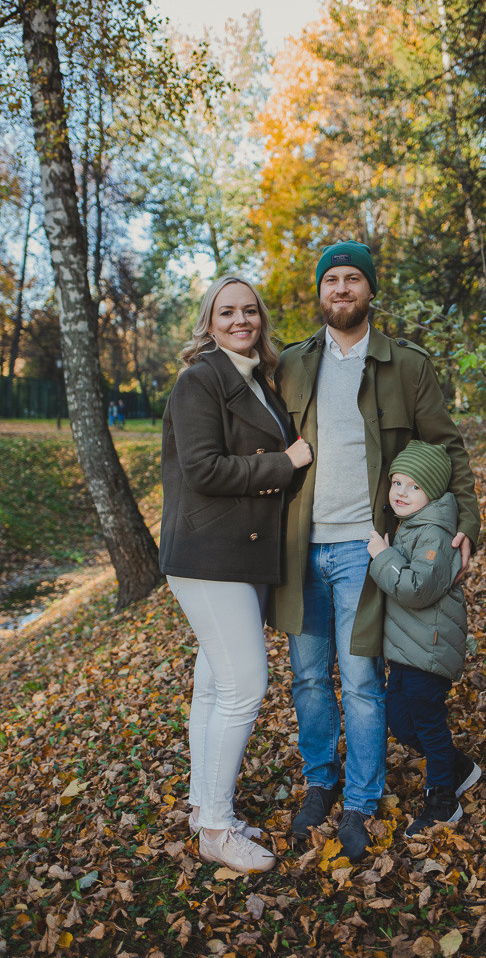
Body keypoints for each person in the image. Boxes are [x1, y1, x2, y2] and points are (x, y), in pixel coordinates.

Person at [271, 240, 480, 861]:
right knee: (308, 678)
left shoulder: (406, 366)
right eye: (331, 279)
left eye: (352, 278)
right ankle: (320, 781)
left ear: (369, 291)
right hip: (297, 550)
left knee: (361, 682)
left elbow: (450, 448)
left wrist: (466, 520)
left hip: (367, 551)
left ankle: (361, 801)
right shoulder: (290, 364)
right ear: (320, 291)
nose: (341, 288)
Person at [159, 275, 312, 874]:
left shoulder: (259, 379)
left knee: (218, 687)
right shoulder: (201, 379)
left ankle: (205, 810)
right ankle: (218, 830)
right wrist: (285, 462)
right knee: (246, 687)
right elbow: (202, 469)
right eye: (227, 312)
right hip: (208, 556)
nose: (240, 320)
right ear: (210, 320)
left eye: (249, 311)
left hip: (238, 557)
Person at [367, 440, 482, 836]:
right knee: (401, 722)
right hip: (406, 650)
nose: (400, 492)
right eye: (397, 482)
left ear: (431, 492)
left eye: (413, 486)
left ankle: (443, 802)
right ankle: (461, 767)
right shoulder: (412, 525)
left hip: (429, 649)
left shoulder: (433, 533)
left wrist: (382, 556)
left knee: (429, 725)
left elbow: (417, 589)